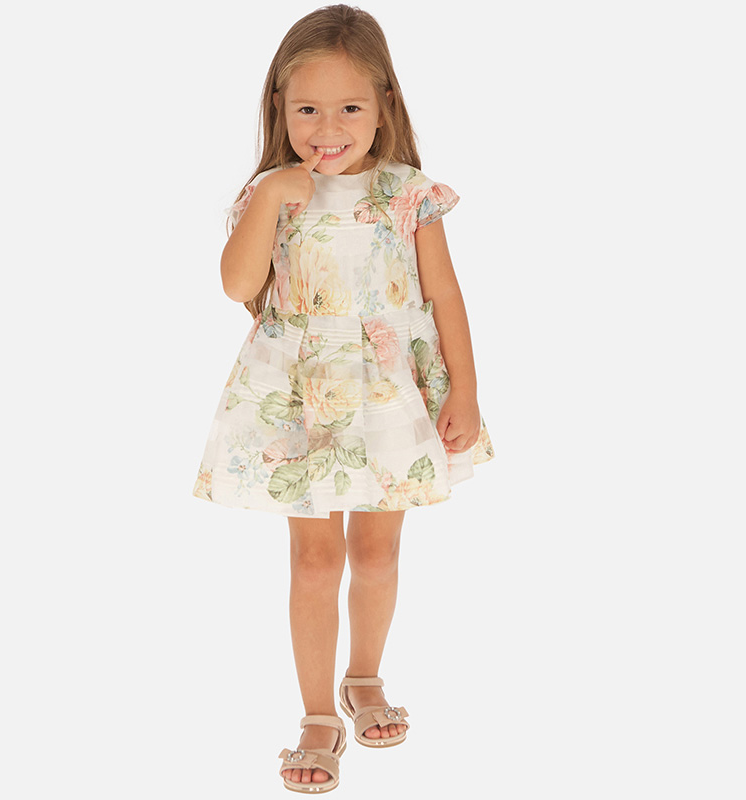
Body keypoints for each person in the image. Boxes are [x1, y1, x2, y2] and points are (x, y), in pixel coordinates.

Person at [192, 4, 495, 792]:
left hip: (390, 393)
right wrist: (272, 195)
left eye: (350, 108)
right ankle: (317, 714)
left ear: (385, 105)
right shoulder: (272, 192)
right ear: (279, 109)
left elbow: (445, 296)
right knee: (315, 558)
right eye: (307, 110)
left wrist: (466, 390)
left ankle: (365, 677)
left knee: (378, 551)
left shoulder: (408, 193)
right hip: (300, 397)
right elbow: (236, 284)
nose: (328, 128)